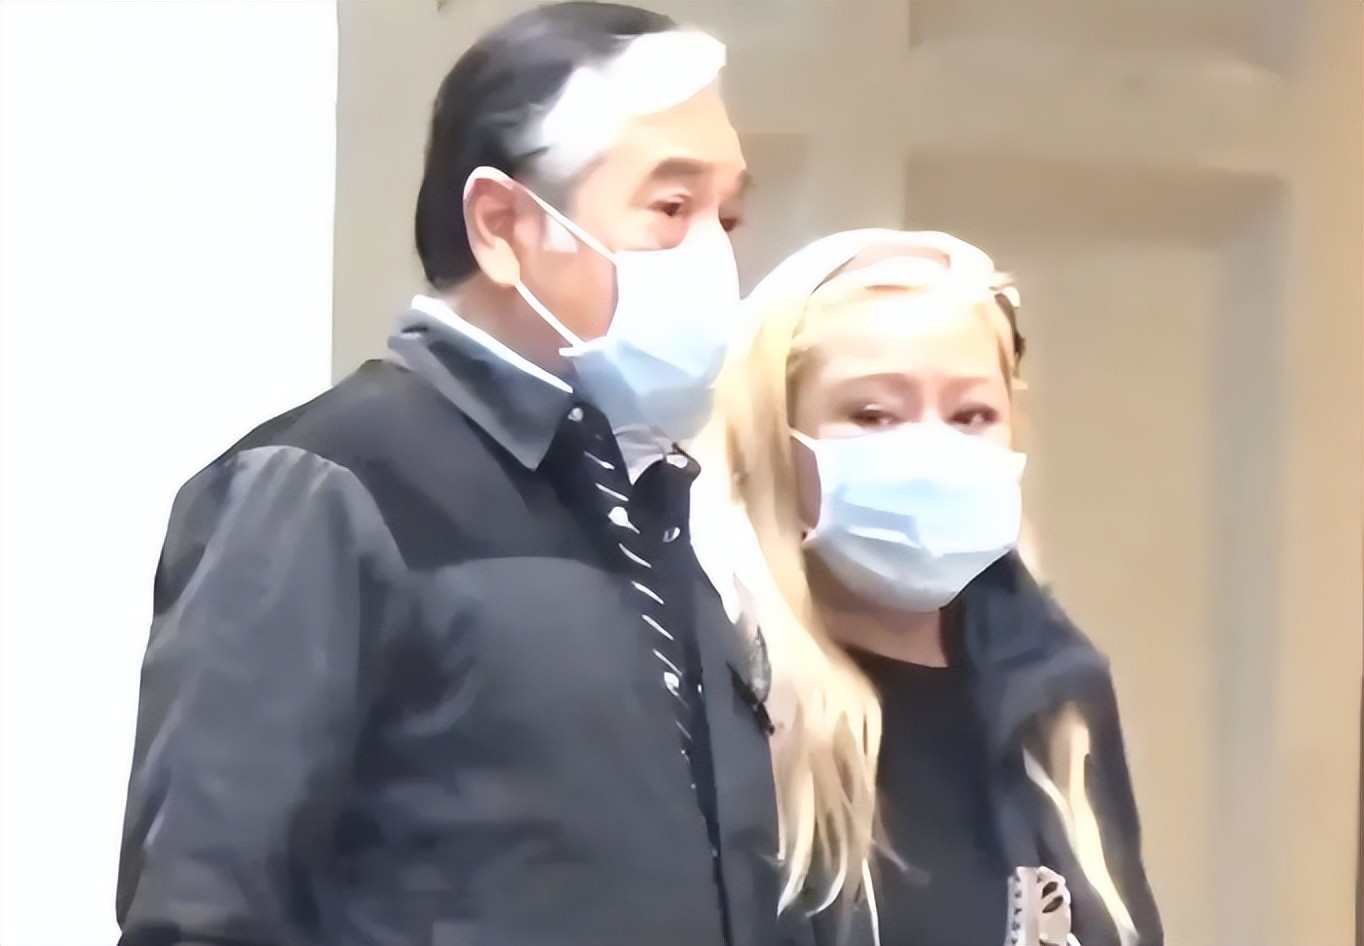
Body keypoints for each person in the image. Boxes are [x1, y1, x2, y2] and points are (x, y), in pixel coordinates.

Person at [116, 5, 785, 945]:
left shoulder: (652, 500)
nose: (716, 256)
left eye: (729, 215)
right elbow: (207, 907)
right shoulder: (325, 486)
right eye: (672, 209)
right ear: (503, 225)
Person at [697, 229, 1162, 945]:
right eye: (872, 415)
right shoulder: (724, 704)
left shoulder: (1057, 696)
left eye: (972, 415)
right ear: (774, 442)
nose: (931, 449)